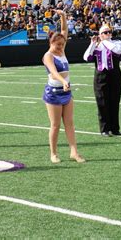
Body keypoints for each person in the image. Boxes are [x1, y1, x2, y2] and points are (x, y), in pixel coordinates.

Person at [42, 10, 85, 164]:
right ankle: (53, 153)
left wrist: (63, 16)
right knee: (55, 125)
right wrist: (64, 81)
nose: (61, 47)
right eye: (58, 44)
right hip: (53, 92)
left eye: (62, 44)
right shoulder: (48, 55)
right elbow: (53, 73)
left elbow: (64, 31)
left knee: (70, 123)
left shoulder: (62, 50)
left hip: (66, 92)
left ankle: (74, 152)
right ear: (51, 43)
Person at [83, 24, 121, 136]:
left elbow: (117, 51)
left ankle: (115, 129)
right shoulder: (97, 45)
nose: (108, 34)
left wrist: (104, 40)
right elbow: (86, 57)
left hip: (115, 75)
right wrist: (92, 43)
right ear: (100, 34)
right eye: (105, 32)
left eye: (109, 32)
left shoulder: (117, 43)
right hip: (100, 76)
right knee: (102, 103)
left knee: (115, 102)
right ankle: (104, 129)